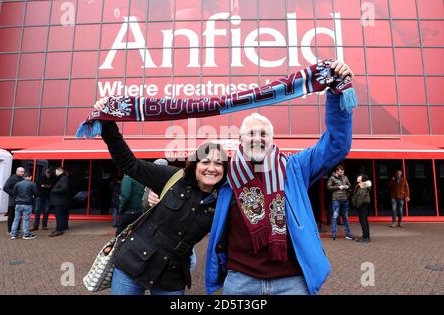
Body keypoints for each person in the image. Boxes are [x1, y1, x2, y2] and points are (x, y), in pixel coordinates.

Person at [202, 61, 355, 295]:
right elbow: (189, 184)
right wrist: (154, 195)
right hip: (240, 280)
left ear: (272, 140)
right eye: (251, 133)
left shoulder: (294, 168)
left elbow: (336, 144)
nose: (257, 138)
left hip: (291, 282)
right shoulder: (225, 173)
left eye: (263, 134)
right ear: (240, 140)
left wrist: (336, 94)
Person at [93, 98, 228, 294]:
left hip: (172, 277)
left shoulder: (223, 200)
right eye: (205, 162)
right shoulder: (173, 177)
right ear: (195, 164)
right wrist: (107, 124)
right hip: (132, 264)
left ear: (224, 170)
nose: (211, 168)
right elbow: (130, 164)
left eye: (218, 164)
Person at [327, 165, 354, 240]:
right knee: (335, 217)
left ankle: (348, 234)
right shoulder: (332, 178)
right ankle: (333, 234)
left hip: (345, 199)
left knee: (345, 217)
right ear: (337, 171)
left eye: (343, 172)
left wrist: (347, 186)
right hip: (336, 200)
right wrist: (338, 187)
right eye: (340, 172)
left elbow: (349, 184)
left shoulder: (345, 177)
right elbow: (328, 187)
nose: (342, 173)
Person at [10, 172, 39, 240]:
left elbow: (14, 193)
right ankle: (26, 234)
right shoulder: (32, 184)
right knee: (26, 219)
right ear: (30, 177)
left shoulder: (17, 184)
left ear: (23, 177)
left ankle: (13, 234)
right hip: (27, 204)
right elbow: (36, 193)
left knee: (16, 219)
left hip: (18, 203)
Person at [49, 167, 71, 237]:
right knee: (63, 214)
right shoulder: (63, 178)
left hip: (60, 201)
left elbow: (64, 189)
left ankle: (59, 230)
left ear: (59, 171)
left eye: (56, 172)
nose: (55, 173)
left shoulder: (63, 178)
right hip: (61, 200)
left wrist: (54, 190)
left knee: (59, 215)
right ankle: (62, 227)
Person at [2, 167, 25, 233]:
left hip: (20, 201)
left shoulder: (22, 179)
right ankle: (9, 230)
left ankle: (17, 228)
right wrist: (14, 194)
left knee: (19, 216)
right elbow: (5, 188)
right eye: (21, 172)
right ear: (17, 171)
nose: (22, 173)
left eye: (23, 172)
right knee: (12, 216)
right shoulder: (12, 179)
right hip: (13, 202)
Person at [351, 174, 372, 243]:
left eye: (359, 177)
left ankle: (365, 237)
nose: (358, 177)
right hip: (363, 205)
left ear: (362, 179)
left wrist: (357, 205)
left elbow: (361, 197)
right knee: (364, 220)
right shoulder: (361, 185)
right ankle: (366, 236)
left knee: (363, 221)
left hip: (362, 205)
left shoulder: (363, 185)